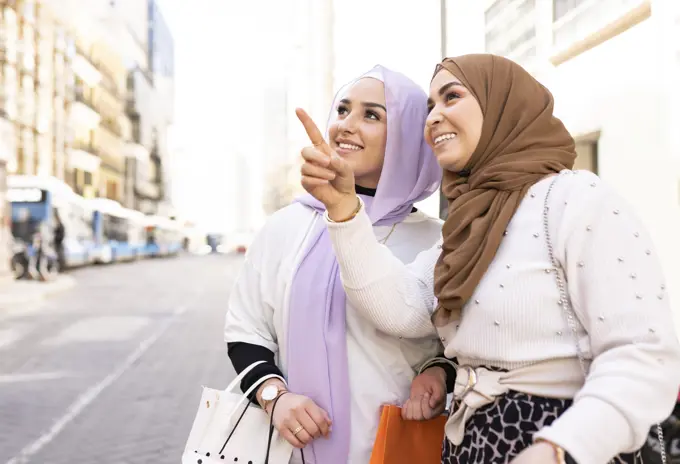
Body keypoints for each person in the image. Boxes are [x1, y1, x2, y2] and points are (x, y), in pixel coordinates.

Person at [298, 54, 680, 463]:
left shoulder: (575, 198)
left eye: (452, 97)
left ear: (502, 105)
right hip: (473, 441)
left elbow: (643, 352)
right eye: (430, 107)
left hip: (564, 442)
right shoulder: (467, 224)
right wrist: (344, 209)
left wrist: (560, 449)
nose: (433, 118)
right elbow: (404, 309)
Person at [224, 64, 449, 463]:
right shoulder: (285, 227)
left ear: (409, 136)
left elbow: (457, 341)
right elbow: (246, 328)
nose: (346, 125)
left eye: (372, 115)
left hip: (390, 447)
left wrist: (437, 374)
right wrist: (275, 397)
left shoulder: (437, 239)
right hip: (285, 449)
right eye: (342, 110)